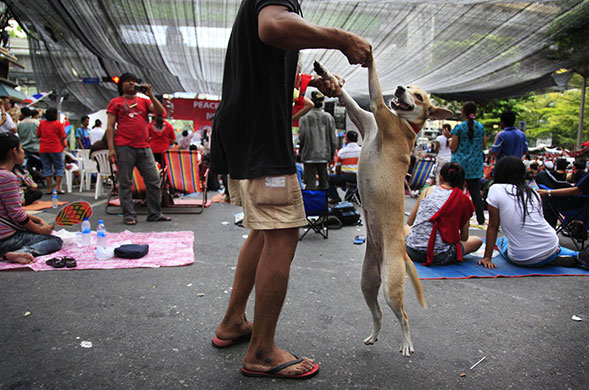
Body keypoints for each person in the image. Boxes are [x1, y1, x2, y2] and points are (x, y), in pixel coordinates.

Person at [210, 0, 371, 379]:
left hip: (245, 129)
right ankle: (262, 352)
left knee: (264, 230)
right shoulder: (276, 4)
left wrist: (312, 82)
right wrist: (342, 38)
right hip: (261, 133)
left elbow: (266, 57)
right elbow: (273, 27)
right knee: (283, 234)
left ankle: (233, 321)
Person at [479, 156, 588, 269]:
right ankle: (574, 256)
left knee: (503, 241)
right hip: (551, 244)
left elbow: (493, 225)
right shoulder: (533, 193)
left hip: (522, 257)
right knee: (545, 244)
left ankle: (551, 259)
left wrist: (487, 258)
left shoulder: (495, 189)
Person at [106, 72, 171, 226]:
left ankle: (155, 213)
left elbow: (160, 111)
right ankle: (129, 215)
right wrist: (111, 149)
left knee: (154, 180)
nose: (131, 84)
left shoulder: (143, 101)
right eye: (128, 82)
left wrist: (151, 95)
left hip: (144, 147)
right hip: (123, 147)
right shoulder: (116, 102)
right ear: (121, 85)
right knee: (125, 182)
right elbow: (110, 126)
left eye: (134, 82)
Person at [0, 133, 62, 264]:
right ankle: (18, 252)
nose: (23, 152)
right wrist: (39, 230)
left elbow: (9, 210)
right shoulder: (7, 177)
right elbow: (16, 214)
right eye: (21, 149)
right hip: (5, 239)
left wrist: (38, 219)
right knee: (55, 240)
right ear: (13, 152)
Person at [405, 162, 482, 266]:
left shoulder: (428, 190)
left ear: (440, 178)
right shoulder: (463, 199)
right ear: (462, 182)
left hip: (412, 251)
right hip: (440, 255)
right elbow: (464, 237)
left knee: (406, 228)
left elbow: (410, 222)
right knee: (477, 241)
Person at [449, 101, 487, 225]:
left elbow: (453, 147)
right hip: (475, 165)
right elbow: (484, 145)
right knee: (475, 193)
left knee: (456, 192)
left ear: (463, 112)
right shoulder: (480, 127)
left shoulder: (459, 128)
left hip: (459, 165)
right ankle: (481, 219)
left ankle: (455, 215)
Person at [298, 91, 337, 190]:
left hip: (308, 155)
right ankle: (323, 203)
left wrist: (300, 151)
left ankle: (311, 204)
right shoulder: (328, 117)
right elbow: (333, 139)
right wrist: (332, 155)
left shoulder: (304, 117)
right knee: (324, 183)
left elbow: (301, 137)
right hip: (324, 155)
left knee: (310, 183)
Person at [36, 108, 66, 194]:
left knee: (46, 168)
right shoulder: (58, 124)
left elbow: (37, 135)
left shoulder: (42, 123)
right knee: (59, 167)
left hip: (43, 148)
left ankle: (49, 188)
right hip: (56, 148)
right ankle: (57, 187)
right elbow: (63, 136)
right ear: (56, 115)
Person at [327, 130, 361, 203]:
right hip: (360, 178)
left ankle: (335, 197)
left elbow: (337, 169)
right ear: (357, 139)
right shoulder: (362, 151)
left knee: (328, 178)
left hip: (346, 177)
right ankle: (352, 195)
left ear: (346, 139)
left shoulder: (342, 151)